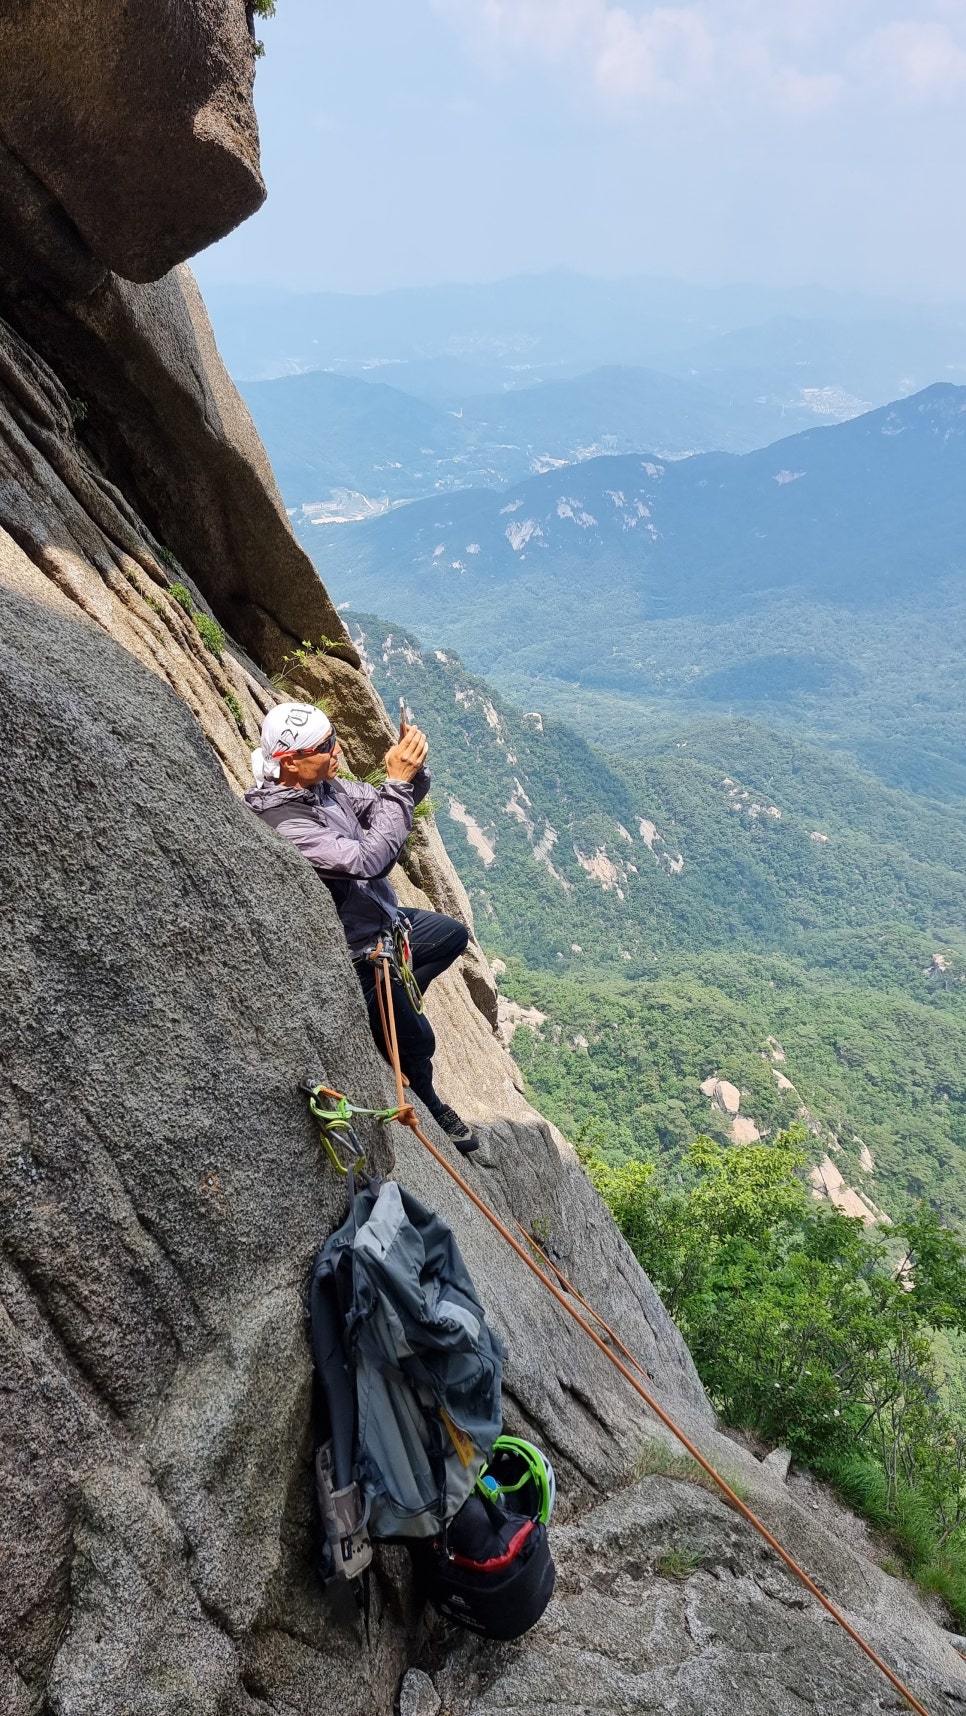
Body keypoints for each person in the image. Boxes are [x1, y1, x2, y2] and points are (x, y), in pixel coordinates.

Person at [245, 701, 479, 1154]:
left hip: (383, 926)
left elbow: (386, 803)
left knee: (450, 936)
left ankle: (386, 1009)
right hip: (359, 952)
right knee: (419, 1039)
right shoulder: (284, 822)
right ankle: (427, 1095)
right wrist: (395, 782)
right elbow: (368, 859)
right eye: (326, 745)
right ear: (289, 762)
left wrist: (413, 771)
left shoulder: (325, 788)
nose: (338, 750)